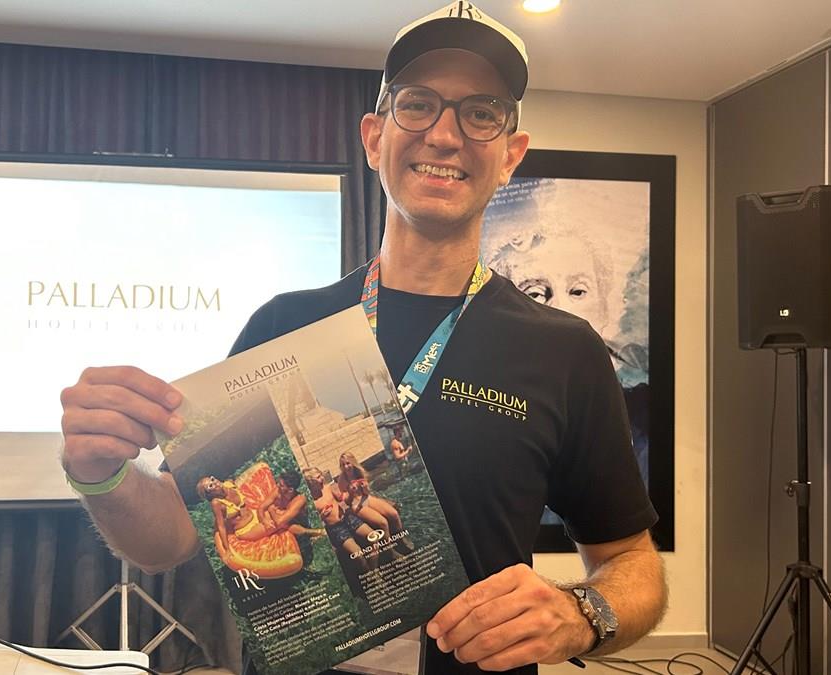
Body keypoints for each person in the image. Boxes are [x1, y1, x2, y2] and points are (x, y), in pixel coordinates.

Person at [59, 3, 667, 673]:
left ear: (509, 157)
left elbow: (632, 564)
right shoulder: (282, 326)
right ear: (375, 139)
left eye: (481, 113)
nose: (445, 135)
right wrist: (103, 474)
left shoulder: (565, 351)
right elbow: (170, 538)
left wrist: (583, 613)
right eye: (418, 105)